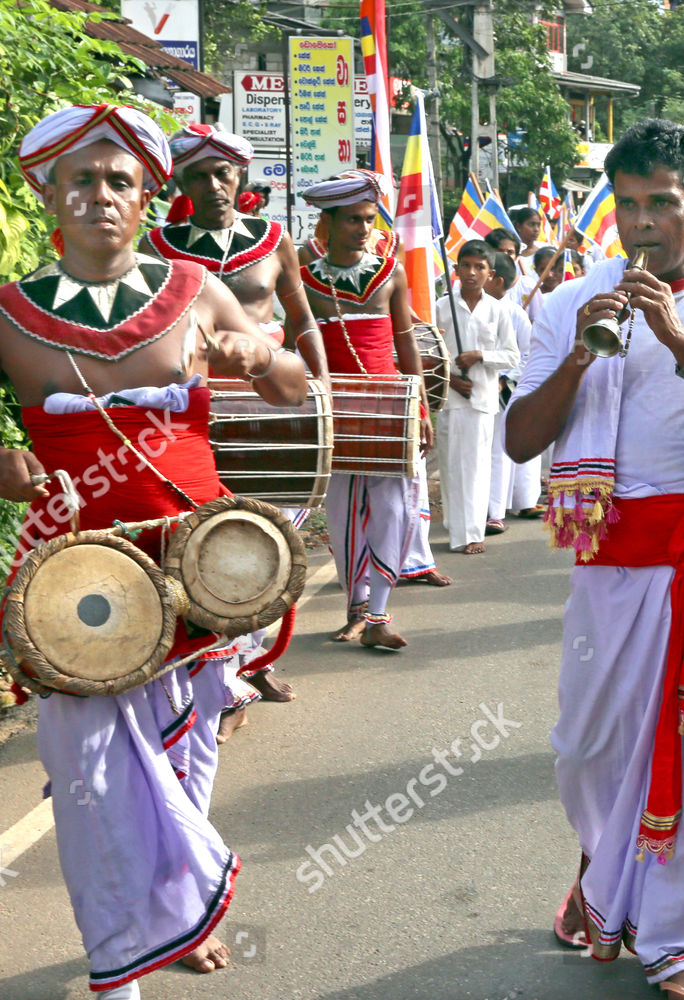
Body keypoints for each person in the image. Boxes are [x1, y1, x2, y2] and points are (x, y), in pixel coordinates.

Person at [2, 104, 307, 999]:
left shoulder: (197, 291)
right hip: (72, 576)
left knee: (188, 745)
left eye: (120, 182)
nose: (100, 196)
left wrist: (258, 353)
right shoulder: (10, 312)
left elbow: (293, 390)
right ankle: (124, 955)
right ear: (48, 194)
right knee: (91, 775)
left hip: (199, 563)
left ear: (148, 200)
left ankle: (176, 909)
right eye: (82, 180)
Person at [507, 118, 684, 1000]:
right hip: (606, 558)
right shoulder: (568, 302)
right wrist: (580, 358)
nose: (642, 225)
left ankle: (673, 940)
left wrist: (682, 345)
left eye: (662, 204)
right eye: (627, 207)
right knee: (587, 749)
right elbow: (519, 441)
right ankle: (603, 883)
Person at [144, 124, 329, 740]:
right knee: (207, 537)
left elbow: (302, 319)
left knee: (266, 534)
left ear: (241, 179)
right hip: (191, 411)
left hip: (273, 405)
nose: (214, 185)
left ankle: (248, 663)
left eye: (223, 174)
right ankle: (225, 677)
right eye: (198, 175)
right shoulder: (159, 246)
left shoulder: (274, 241)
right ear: (181, 183)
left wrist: (321, 388)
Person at [299, 171, 433, 649]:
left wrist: (419, 407)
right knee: (340, 512)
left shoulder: (390, 272)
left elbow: (404, 340)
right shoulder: (301, 275)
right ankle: (355, 608)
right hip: (333, 411)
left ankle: (379, 615)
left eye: (370, 219)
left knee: (394, 508)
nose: (363, 228)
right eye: (353, 219)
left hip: (390, 408)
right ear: (328, 223)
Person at [440, 241, 518, 553]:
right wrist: (450, 379)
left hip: (482, 400)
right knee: (450, 467)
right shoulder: (440, 306)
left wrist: (480, 355)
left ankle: (471, 534)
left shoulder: (498, 310)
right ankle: (455, 527)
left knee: (475, 468)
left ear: (490, 273)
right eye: (466, 266)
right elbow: (428, 351)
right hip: (448, 399)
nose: (471, 273)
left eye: (479, 267)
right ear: (456, 269)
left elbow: (512, 356)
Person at [487, 252, 541, 533]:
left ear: (497, 281)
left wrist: (504, 379)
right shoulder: (469, 307)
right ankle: (477, 508)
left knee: (498, 450)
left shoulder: (515, 312)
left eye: (484, 271)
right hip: (472, 388)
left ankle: (495, 512)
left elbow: (527, 355)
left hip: (503, 390)